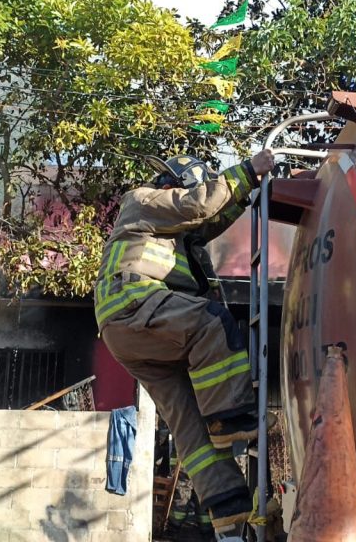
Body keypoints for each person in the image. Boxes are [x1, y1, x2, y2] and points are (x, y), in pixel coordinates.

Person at [95, 149, 275, 536]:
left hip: (132, 334)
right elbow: (197, 206)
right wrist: (248, 170)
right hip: (134, 305)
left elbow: (209, 218)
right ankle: (229, 419)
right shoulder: (142, 199)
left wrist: (244, 192)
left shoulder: (170, 233)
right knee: (211, 322)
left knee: (190, 425)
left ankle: (228, 514)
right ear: (179, 185)